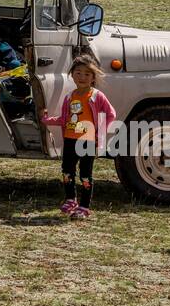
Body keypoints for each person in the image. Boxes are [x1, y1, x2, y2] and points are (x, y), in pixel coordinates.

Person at [41, 55, 116, 220]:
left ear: (94, 77)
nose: (82, 77)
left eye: (87, 74)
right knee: (67, 171)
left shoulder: (97, 96)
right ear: (72, 74)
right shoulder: (69, 96)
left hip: (87, 141)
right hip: (69, 139)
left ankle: (84, 206)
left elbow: (111, 114)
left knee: (85, 174)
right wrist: (47, 120)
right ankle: (70, 199)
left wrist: (99, 135)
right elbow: (64, 119)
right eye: (78, 73)